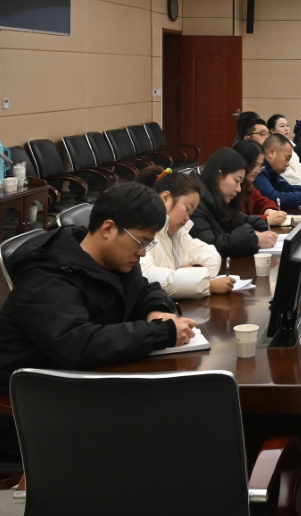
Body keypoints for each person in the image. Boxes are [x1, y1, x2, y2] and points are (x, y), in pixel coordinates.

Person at [0, 182, 198, 460]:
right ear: (108, 229)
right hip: (33, 406)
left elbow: (144, 289)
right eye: (141, 241)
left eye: (148, 243)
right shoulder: (47, 277)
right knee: (172, 427)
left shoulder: (113, 258)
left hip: (85, 384)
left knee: (185, 411)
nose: (143, 252)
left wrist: (156, 310)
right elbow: (78, 344)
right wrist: (160, 332)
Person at [136, 167, 233, 299]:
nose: (188, 218)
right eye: (187, 209)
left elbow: (211, 255)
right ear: (165, 198)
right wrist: (206, 284)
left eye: (191, 213)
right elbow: (147, 277)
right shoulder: (142, 231)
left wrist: (195, 268)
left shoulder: (177, 234)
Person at [189, 148, 278, 257]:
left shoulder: (214, 198)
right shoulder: (194, 203)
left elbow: (234, 218)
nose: (239, 189)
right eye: (236, 181)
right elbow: (210, 247)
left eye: (240, 183)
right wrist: (254, 239)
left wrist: (257, 223)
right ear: (218, 176)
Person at [233, 140, 289, 226]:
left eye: (260, 166)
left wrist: (269, 210)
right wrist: (266, 220)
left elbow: (262, 201)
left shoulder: (247, 185)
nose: (258, 171)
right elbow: (235, 220)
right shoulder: (231, 188)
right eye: (255, 165)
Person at [256, 134, 301, 209]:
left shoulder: (271, 170)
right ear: (271, 153)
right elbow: (274, 198)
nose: (288, 164)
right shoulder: (258, 171)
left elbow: (287, 188)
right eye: (287, 158)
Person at [267, 113, 301, 186]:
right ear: (272, 130)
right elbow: (288, 175)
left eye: (287, 126)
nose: (286, 129)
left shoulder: (290, 145)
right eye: (282, 126)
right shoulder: (274, 148)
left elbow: (300, 166)